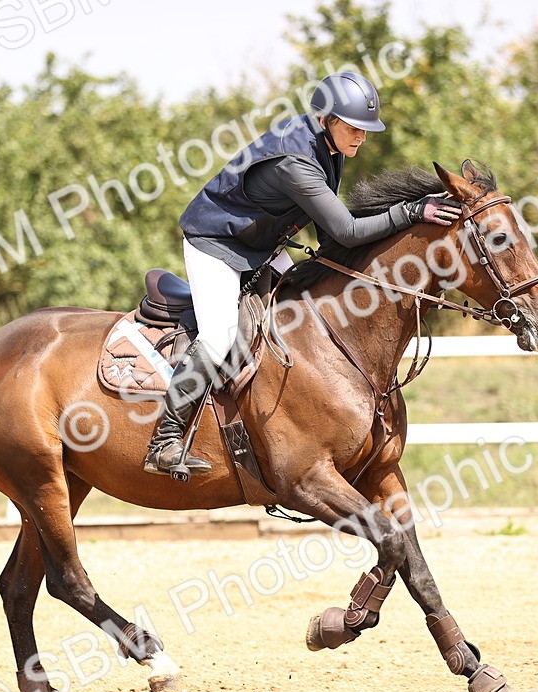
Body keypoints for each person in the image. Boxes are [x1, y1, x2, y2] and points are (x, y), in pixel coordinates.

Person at [143, 72, 462, 476]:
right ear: (327, 119)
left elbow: (330, 231)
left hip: (260, 246)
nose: (361, 137)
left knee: (306, 313)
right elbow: (345, 229)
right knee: (220, 336)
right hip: (216, 245)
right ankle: (165, 441)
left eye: (366, 130)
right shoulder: (295, 162)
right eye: (353, 127)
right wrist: (412, 212)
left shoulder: (332, 146)